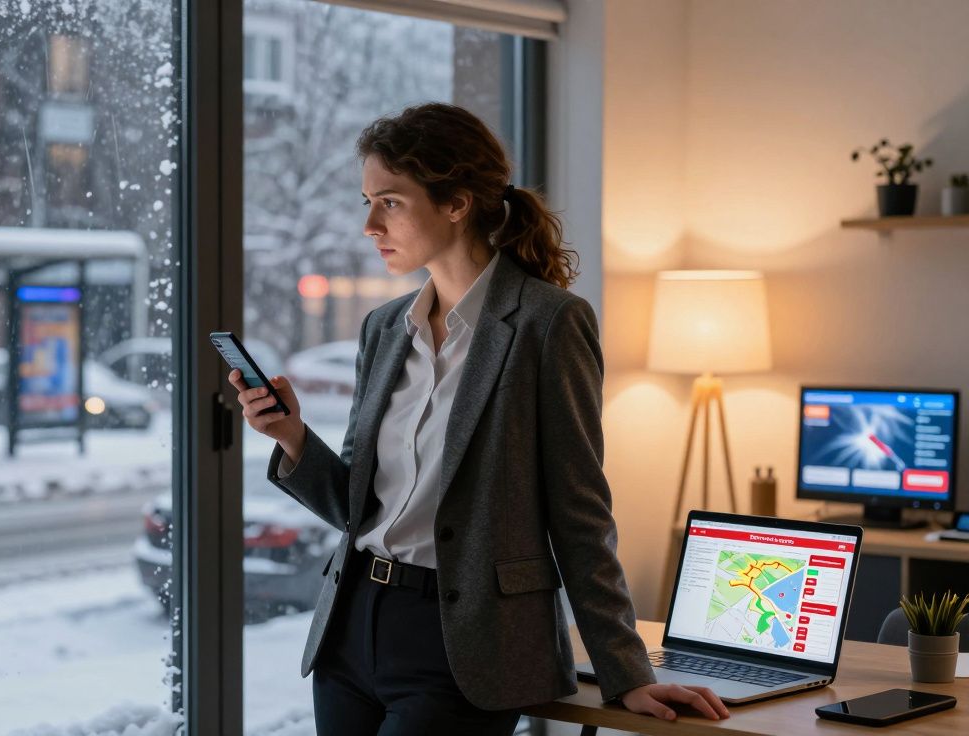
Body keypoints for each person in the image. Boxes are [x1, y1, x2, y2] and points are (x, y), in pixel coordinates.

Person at [227, 102, 729, 735]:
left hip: (464, 645)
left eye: (390, 202)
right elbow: (359, 508)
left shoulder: (549, 324)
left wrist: (627, 673)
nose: (370, 225)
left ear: (457, 203)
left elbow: (580, 511)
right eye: (367, 203)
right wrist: (292, 437)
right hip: (351, 627)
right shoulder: (384, 329)